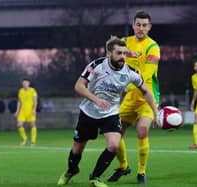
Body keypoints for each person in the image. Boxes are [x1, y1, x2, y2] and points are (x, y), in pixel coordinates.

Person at [57, 37, 158, 187]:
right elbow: (78, 86)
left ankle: (95, 177)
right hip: (88, 112)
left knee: (114, 145)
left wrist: (156, 112)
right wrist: (96, 100)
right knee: (77, 149)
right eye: (119, 53)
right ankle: (71, 171)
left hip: (110, 114)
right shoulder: (96, 66)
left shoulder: (131, 72)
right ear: (109, 53)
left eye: (124, 53)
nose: (123, 56)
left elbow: (146, 91)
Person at [107, 11, 160, 184]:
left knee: (142, 129)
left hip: (147, 96)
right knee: (115, 134)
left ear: (149, 27)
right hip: (129, 98)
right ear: (133, 25)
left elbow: (148, 72)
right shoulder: (125, 42)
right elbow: (114, 60)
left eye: (145, 25)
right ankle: (123, 167)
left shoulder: (153, 47)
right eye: (138, 24)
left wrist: (129, 84)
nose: (141, 28)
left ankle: (142, 172)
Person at [14, 78, 38, 146]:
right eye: (23, 83)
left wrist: (34, 110)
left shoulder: (33, 91)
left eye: (25, 83)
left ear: (29, 83)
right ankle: (24, 139)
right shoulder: (20, 91)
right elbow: (19, 102)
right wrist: (17, 111)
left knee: (32, 125)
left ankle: (33, 142)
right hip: (22, 111)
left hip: (30, 110)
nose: (24, 84)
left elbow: (35, 101)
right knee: (19, 125)